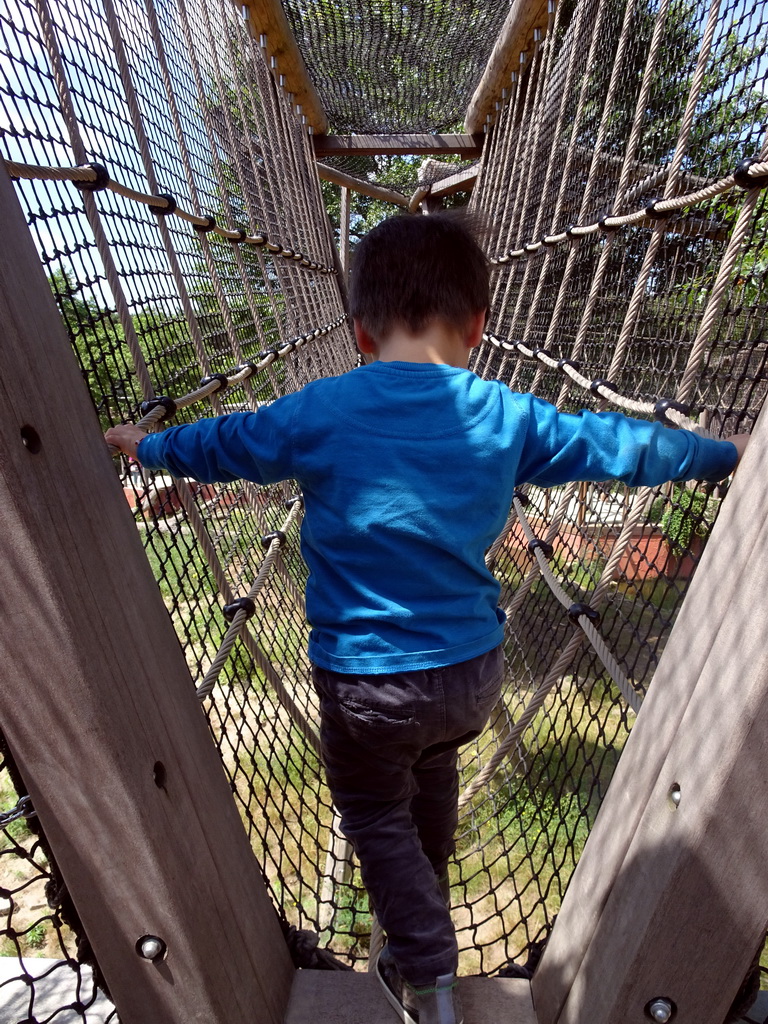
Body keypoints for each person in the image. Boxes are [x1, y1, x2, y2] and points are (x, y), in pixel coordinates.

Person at [105, 213, 748, 1024]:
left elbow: (224, 443)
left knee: (375, 812)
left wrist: (146, 446)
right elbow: (617, 446)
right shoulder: (505, 416)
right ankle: (424, 912)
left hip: (365, 684)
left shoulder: (323, 410)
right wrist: (724, 453)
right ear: (478, 327)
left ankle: (427, 971)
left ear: (360, 332)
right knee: (434, 773)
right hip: (469, 680)